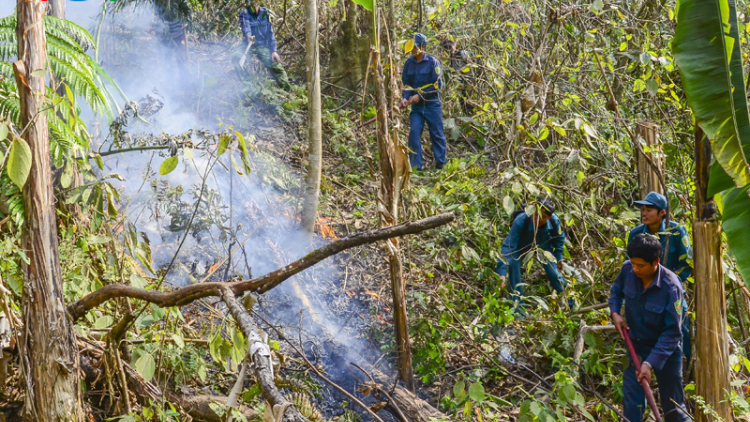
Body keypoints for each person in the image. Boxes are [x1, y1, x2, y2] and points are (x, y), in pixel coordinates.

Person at [609, 234, 690, 422]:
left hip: (666, 352)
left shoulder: (671, 287)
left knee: (674, 409)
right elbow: (615, 291)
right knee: (632, 408)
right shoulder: (628, 269)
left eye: (641, 266)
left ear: (656, 262)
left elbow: (672, 333)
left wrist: (650, 363)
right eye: (633, 263)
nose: (635, 269)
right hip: (636, 347)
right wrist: (615, 313)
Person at [628, 191, 692, 366]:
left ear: (662, 212)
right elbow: (631, 265)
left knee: (682, 325)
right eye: (643, 209)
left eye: (649, 209)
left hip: (671, 290)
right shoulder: (636, 234)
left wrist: (671, 283)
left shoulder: (677, 231)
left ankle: (689, 364)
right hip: (644, 290)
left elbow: (687, 262)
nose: (644, 213)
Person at [495, 197, 570, 310]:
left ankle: (569, 304)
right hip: (520, 247)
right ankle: (517, 309)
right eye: (536, 215)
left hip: (544, 246)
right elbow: (509, 247)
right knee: (513, 266)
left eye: (543, 217)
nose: (538, 219)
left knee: (555, 274)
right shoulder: (521, 220)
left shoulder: (554, 220)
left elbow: (559, 238)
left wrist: (559, 258)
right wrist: (502, 273)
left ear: (549, 217)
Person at [399, 33, 447, 171]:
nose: (413, 50)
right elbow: (406, 83)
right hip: (417, 108)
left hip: (432, 104)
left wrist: (420, 95)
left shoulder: (433, 62)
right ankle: (416, 166)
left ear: (423, 47)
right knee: (414, 132)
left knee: (436, 133)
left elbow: (438, 85)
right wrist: (405, 96)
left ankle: (441, 164)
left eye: (415, 47)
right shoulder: (409, 63)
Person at [239, 2, 291, 91]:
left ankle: (288, 92)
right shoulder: (244, 13)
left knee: (275, 65)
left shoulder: (266, 13)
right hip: (248, 45)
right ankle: (248, 87)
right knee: (236, 58)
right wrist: (248, 35)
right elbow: (245, 26)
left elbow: (270, 32)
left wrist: (273, 50)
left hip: (262, 45)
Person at [440, 39, 474, 115]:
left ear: (454, 45)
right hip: (459, 82)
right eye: (447, 48)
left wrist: (461, 72)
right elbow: (452, 70)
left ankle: (472, 116)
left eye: (450, 47)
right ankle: (467, 116)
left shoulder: (462, 53)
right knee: (462, 101)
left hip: (468, 79)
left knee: (469, 100)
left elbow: (470, 64)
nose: (449, 49)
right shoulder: (451, 57)